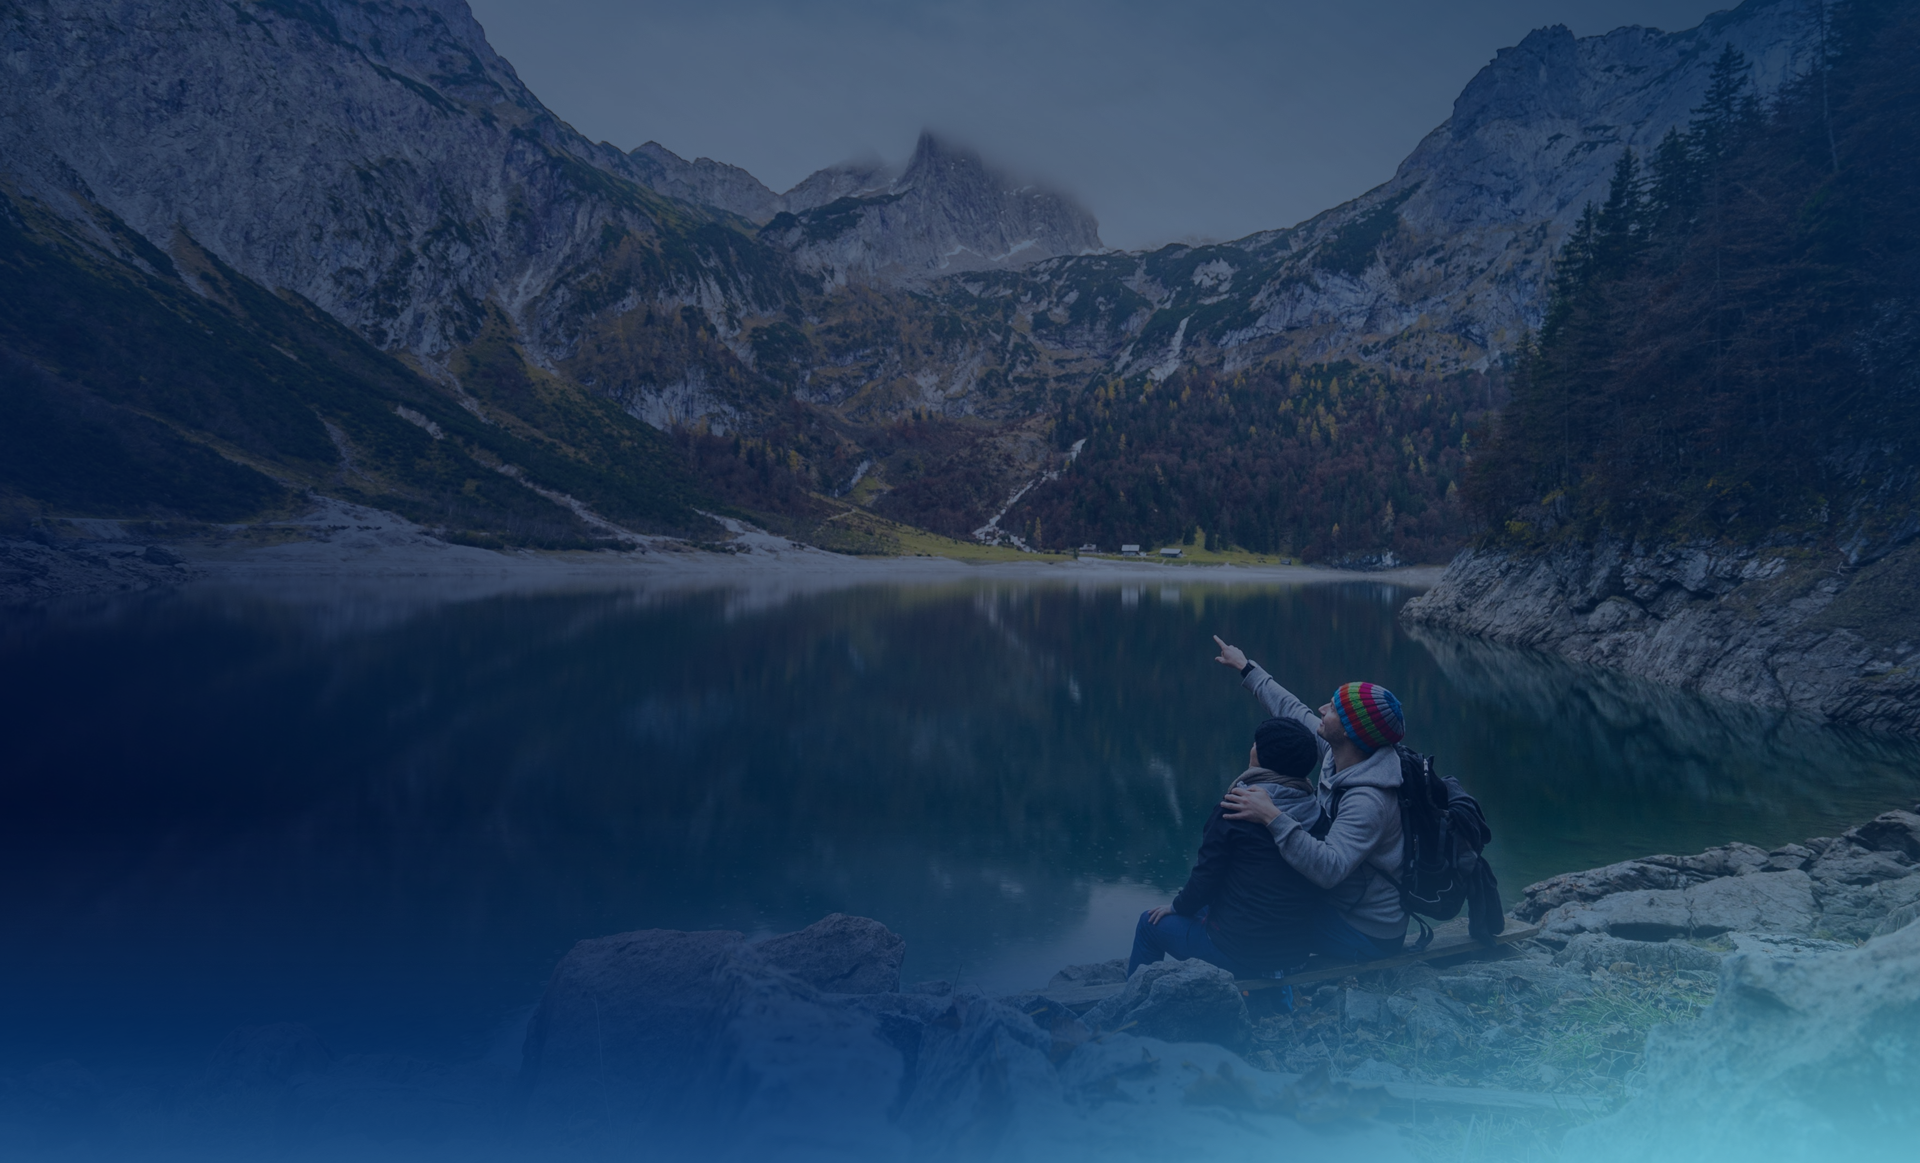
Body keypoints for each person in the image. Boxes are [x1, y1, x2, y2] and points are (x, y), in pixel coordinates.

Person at [1211, 635, 1409, 962]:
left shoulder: (1369, 801)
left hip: (1366, 930)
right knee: (1249, 898)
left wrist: (1273, 816)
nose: (1321, 709)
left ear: (1348, 731)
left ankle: (1262, 994)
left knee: (1254, 919)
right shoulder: (1341, 752)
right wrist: (1246, 667)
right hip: (1344, 902)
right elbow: (1292, 709)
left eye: (1332, 709)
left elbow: (1329, 868)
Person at [1127, 716, 1324, 978]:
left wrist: (1176, 908)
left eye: (1256, 744)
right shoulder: (1316, 811)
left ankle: (1132, 1002)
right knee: (1197, 906)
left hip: (1241, 954)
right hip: (1294, 954)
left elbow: (1206, 877)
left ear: (1264, 757)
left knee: (1149, 924)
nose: (1252, 748)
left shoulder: (1235, 810)